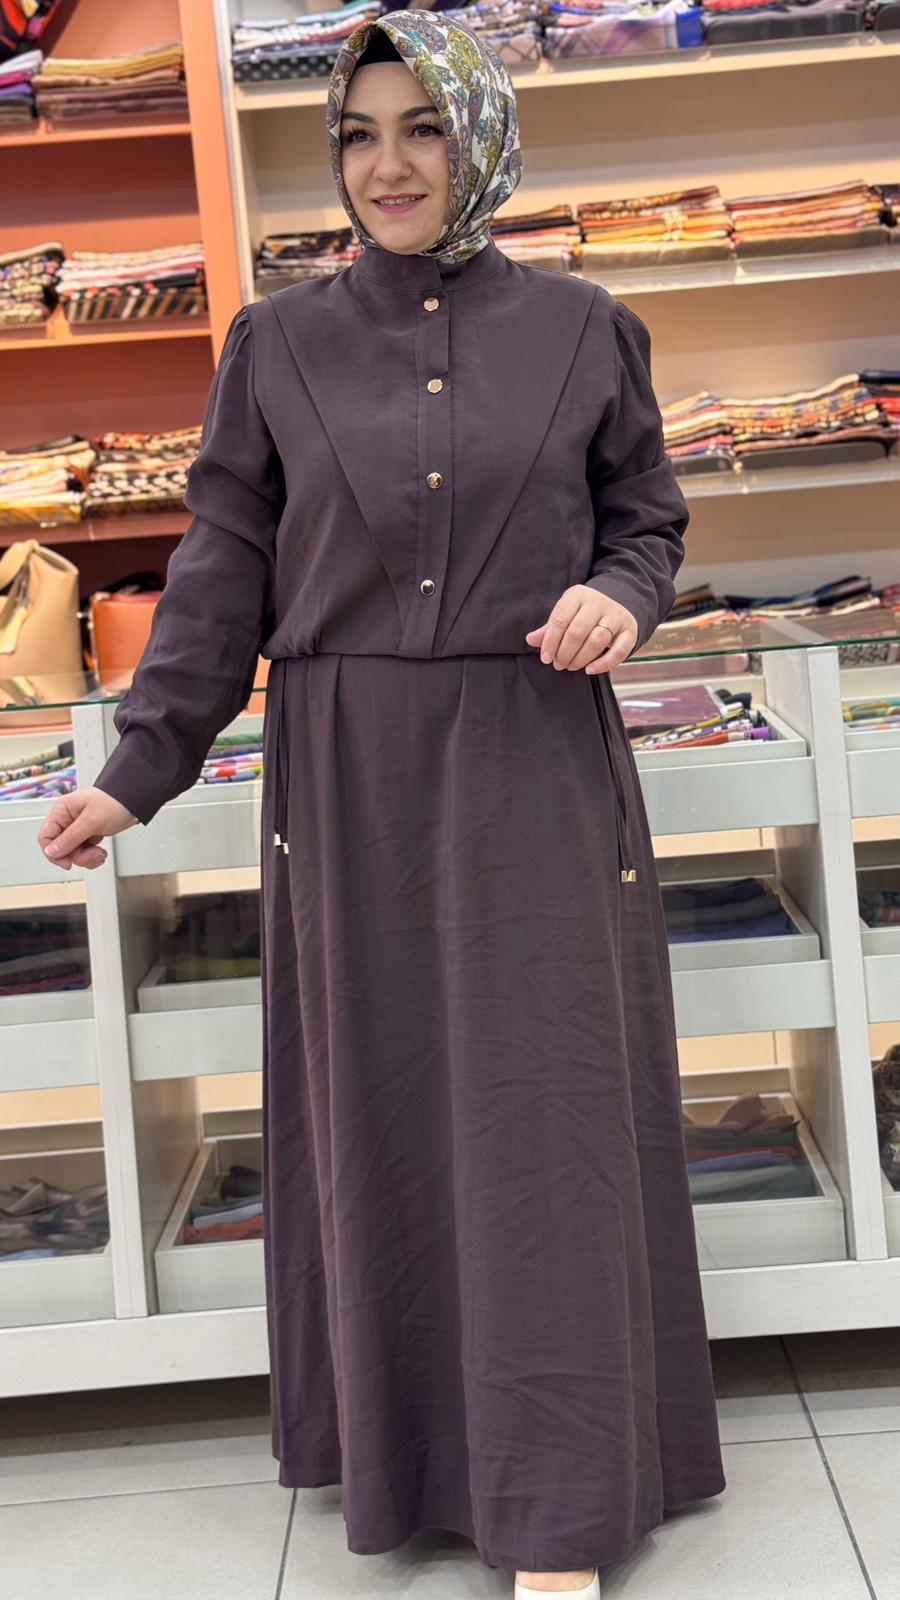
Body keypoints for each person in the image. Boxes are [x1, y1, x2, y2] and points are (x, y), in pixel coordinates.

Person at [37, 11, 726, 1596]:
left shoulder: (588, 329)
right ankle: (415, 1467)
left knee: (544, 1116)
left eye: (425, 128)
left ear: (482, 141)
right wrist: (140, 769)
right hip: (345, 780)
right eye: (358, 133)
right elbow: (220, 573)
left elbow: (647, 520)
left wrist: (623, 597)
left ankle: (560, 1504)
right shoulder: (274, 348)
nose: (389, 165)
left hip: (534, 759)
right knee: (390, 1121)